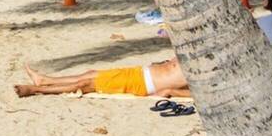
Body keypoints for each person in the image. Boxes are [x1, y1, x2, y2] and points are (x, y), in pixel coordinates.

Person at [15, 58, 191, 99]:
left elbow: (199, 93)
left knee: (85, 84)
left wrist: (171, 91)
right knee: (90, 74)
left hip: (143, 84)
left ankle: (35, 89)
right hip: (139, 73)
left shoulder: (203, 72)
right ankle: (46, 80)